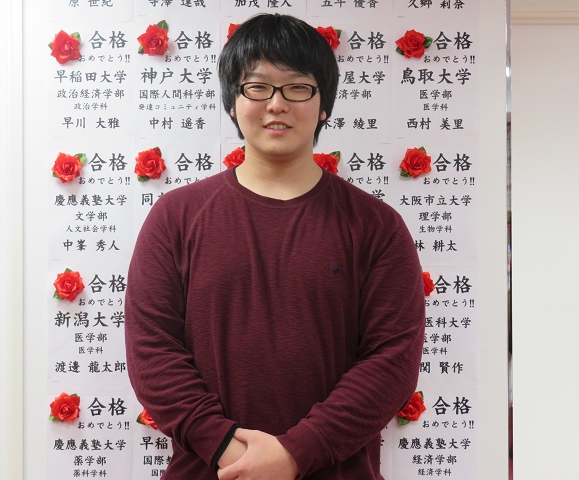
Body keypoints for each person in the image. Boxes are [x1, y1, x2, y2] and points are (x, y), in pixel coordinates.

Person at [125, 13, 425, 480]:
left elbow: (392, 361)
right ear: (232, 102)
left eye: (298, 87)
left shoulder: (376, 226)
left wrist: (294, 455)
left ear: (323, 105)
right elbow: (152, 351)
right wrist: (227, 449)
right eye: (258, 87)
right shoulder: (175, 217)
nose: (277, 104)